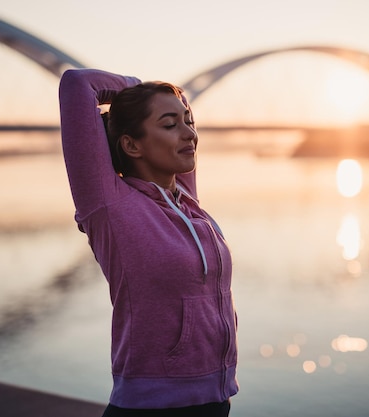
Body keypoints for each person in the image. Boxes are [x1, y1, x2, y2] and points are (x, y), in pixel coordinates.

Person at [58, 68, 238, 416]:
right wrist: (139, 89)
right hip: (152, 407)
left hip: (216, 399)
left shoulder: (187, 201)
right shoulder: (110, 206)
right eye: (170, 125)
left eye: (189, 122)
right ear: (131, 144)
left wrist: (170, 100)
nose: (189, 134)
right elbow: (77, 84)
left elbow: (183, 109)